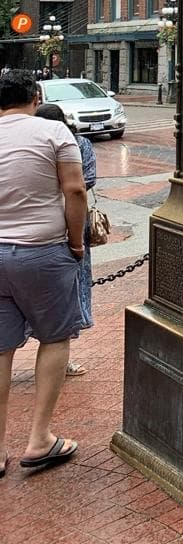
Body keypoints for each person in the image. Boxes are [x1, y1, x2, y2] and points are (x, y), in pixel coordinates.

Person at [0, 70, 86, 472]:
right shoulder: (54, 133)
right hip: (42, 250)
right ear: (36, 96)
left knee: (0, 349)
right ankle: (39, 439)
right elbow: (75, 190)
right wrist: (76, 242)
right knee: (54, 338)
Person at [33, 103, 96, 371]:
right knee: (65, 290)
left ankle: (61, 354)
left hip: (49, 221)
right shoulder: (75, 144)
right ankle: (61, 355)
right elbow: (84, 183)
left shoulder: (77, 143)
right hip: (66, 224)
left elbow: (85, 182)